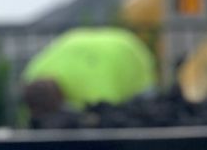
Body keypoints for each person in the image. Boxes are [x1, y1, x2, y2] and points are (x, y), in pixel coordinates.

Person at [21, 27, 159, 120]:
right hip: (111, 46)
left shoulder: (97, 92)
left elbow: (107, 119)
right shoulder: (33, 72)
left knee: (145, 118)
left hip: (131, 56)